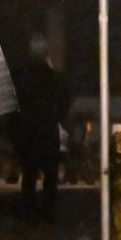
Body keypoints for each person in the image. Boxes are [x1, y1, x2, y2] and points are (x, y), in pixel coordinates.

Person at [10, 32, 72, 223]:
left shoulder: (21, 76)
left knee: (29, 174)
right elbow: (65, 101)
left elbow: (13, 104)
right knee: (50, 175)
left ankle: (30, 213)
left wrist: (17, 126)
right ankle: (48, 212)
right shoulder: (54, 78)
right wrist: (55, 117)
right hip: (47, 129)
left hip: (29, 131)